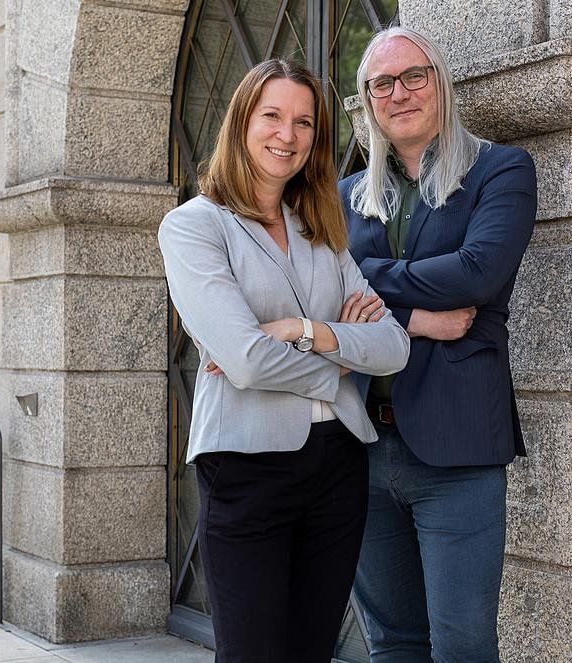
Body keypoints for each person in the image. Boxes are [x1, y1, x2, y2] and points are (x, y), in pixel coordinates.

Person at [158, 59, 410, 663]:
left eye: (303, 122)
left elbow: (394, 347)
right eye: (271, 116)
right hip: (247, 466)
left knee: (310, 651)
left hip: (338, 467)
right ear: (242, 123)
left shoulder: (321, 229)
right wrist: (344, 359)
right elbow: (244, 360)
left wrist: (302, 330)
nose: (287, 135)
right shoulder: (196, 227)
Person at [339, 27, 537, 663]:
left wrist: (368, 283)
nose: (398, 93)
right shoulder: (347, 196)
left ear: (441, 82)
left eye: (413, 76)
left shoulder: (499, 170)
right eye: (381, 84)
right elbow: (322, 300)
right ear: (368, 101)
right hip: (362, 445)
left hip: (458, 453)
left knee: (463, 645)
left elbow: (479, 270)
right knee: (393, 642)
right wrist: (421, 317)